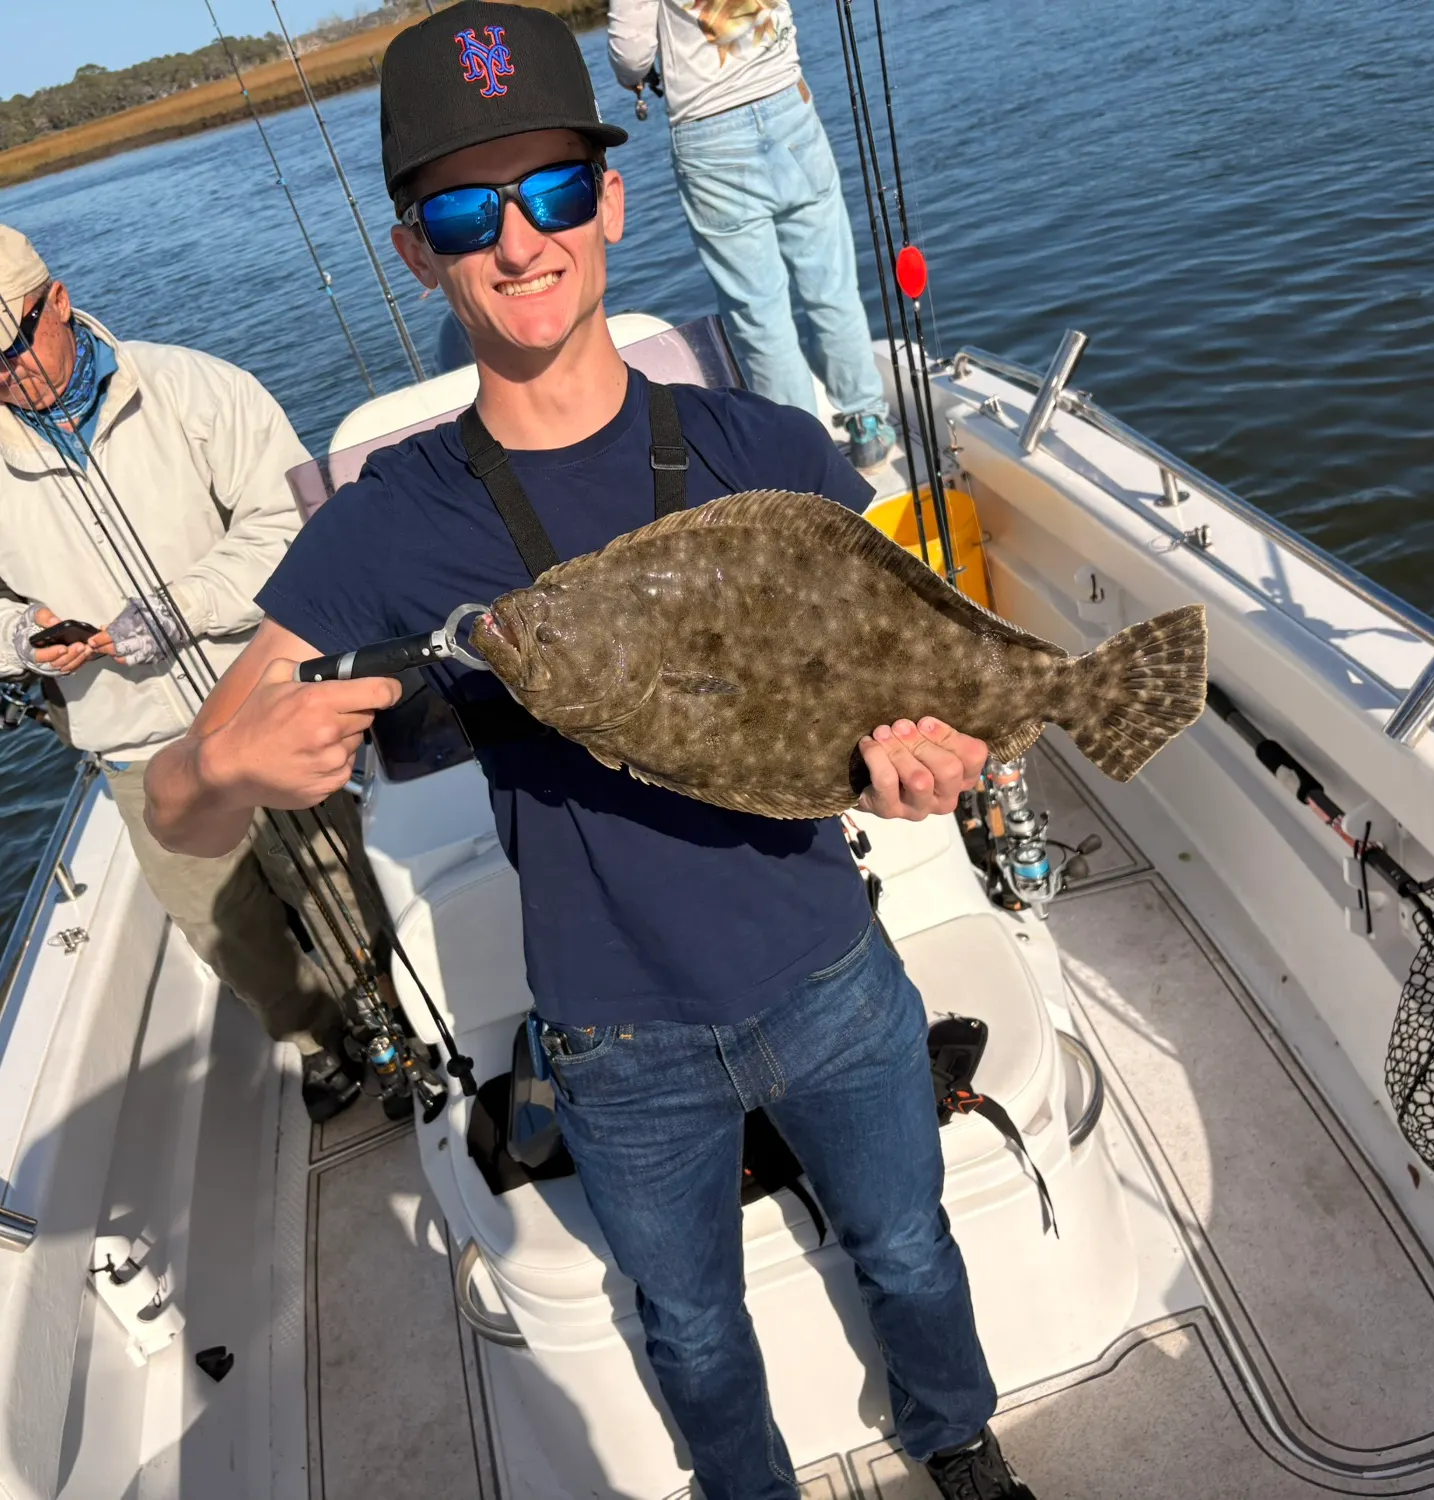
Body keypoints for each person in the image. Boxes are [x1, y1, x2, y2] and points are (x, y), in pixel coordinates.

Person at [142, 6, 1033, 1496]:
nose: (519, 239)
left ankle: (957, 1436)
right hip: (615, 1042)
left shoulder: (770, 450)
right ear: (417, 248)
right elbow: (175, 799)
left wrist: (937, 767)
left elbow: (912, 686)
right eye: (463, 208)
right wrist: (240, 771)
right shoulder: (385, 524)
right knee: (688, 1325)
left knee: (909, 1242)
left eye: (552, 189)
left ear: (612, 199)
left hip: (833, 969)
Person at [0, 224, 379, 1122]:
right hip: (134, 753)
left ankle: (391, 1017)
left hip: (265, 700)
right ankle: (318, 1044)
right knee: (227, 929)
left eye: (11, 345)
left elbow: (288, 524)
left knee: (348, 881)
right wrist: (21, 634)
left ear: (56, 301)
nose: (8, 376)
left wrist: (181, 607)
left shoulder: (196, 387)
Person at [608, 0, 898, 472]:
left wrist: (634, 75)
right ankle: (868, 424)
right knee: (831, 283)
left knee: (760, 313)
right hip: (790, 105)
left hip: (710, 134)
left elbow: (630, 53)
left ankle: (808, 460)